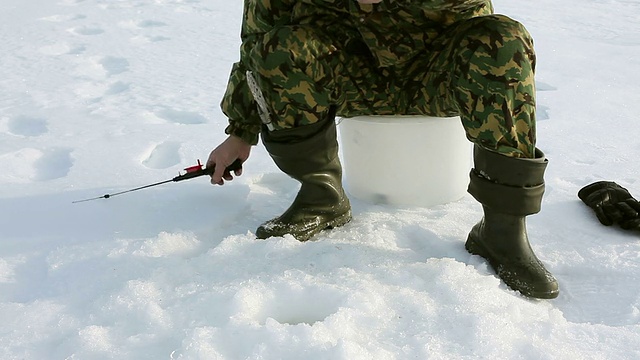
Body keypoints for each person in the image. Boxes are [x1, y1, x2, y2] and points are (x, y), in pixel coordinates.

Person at [206, 0, 558, 299]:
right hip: (351, 77)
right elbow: (256, 40)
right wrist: (240, 130)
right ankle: (321, 197)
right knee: (278, 47)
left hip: (436, 73)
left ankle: (502, 231)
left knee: (503, 40)